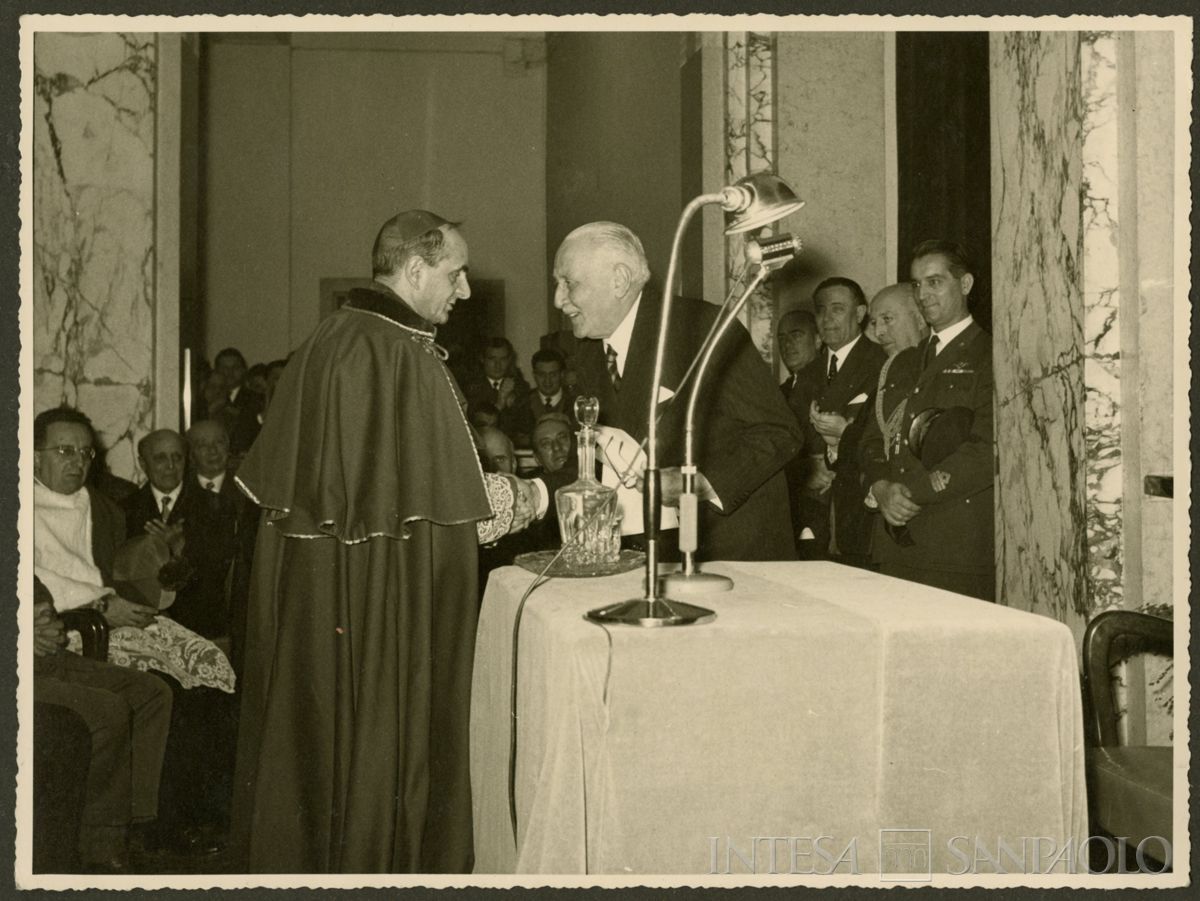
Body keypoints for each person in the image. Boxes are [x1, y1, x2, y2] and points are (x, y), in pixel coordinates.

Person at [230, 209, 537, 873]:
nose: (463, 292)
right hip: (380, 608)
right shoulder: (403, 355)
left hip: (321, 600)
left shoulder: (326, 341)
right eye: (455, 275)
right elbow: (465, 518)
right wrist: (542, 498)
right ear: (415, 268)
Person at [539, 221, 802, 561]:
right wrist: (537, 495)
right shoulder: (588, 354)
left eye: (568, 283)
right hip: (650, 557)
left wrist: (699, 484)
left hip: (731, 552)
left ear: (618, 280)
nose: (559, 300)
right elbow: (597, 460)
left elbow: (780, 432)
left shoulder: (702, 329)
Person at [859, 240, 995, 601]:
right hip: (892, 545)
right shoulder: (903, 362)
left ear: (964, 285)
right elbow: (872, 440)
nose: (923, 294)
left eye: (935, 282)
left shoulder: (990, 356)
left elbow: (987, 449)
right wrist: (881, 488)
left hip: (953, 549)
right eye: (917, 284)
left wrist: (912, 493)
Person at [33, 576, 172, 873]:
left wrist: (46, 617)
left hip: (44, 656)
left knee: (149, 693)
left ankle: (131, 829)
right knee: (107, 710)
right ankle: (99, 847)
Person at [791, 277, 887, 565]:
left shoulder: (881, 363)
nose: (827, 319)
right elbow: (788, 438)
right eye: (821, 310)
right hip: (813, 515)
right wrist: (805, 470)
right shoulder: (807, 374)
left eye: (837, 309)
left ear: (859, 314)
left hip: (858, 511)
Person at [775, 309, 821, 553]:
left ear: (817, 339)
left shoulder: (828, 382)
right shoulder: (778, 393)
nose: (787, 344)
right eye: (781, 338)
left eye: (796, 335)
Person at [461, 337, 531, 441]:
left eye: (503, 359)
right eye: (492, 359)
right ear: (482, 359)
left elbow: (525, 427)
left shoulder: (521, 387)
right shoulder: (468, 388)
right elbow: (474, 425)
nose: (497, 365)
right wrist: (500, 403)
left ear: (509, 360)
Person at [509, 348, 576, 444]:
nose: (547, 381)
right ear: (534, 375)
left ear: (562, 375)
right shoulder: (520, 403)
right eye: (542, 374)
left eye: (553, 375)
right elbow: (513, 439)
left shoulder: (576, 404)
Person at [214, 348, 265, 456]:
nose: (229, 372)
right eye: (224, 368)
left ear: (243, 370)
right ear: (216, 370)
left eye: (235, 367)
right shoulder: (206, 397)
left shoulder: (256, 399)